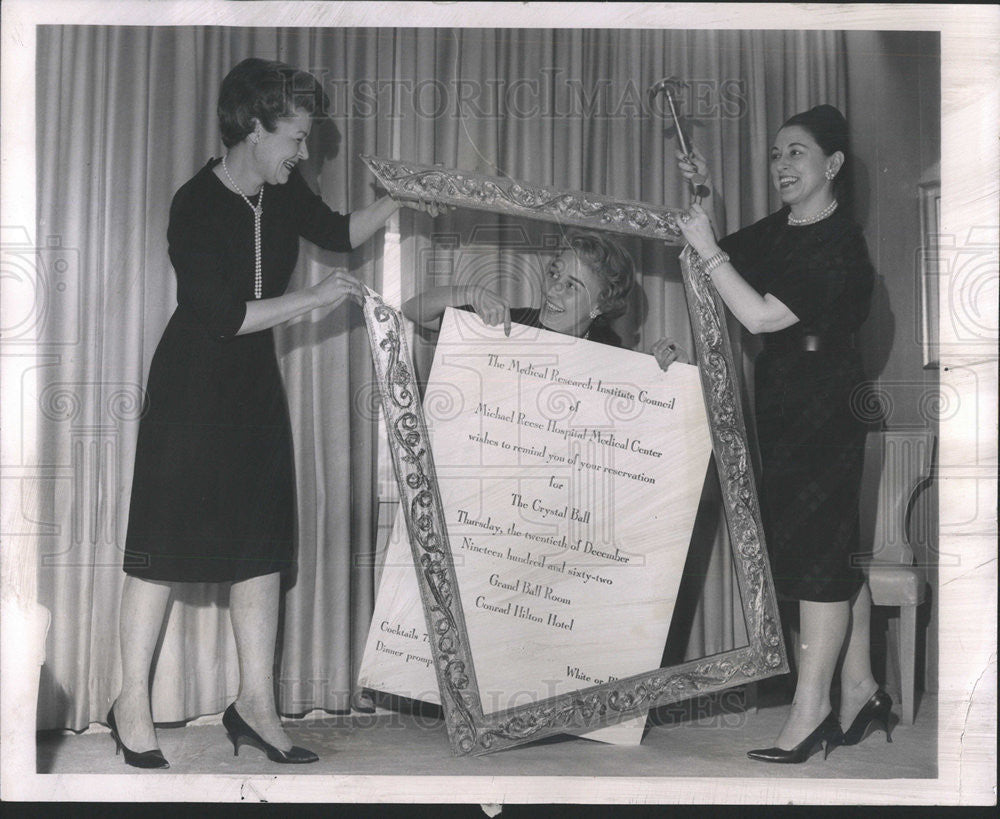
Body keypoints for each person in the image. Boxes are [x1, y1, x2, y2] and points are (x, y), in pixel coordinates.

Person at [112, 58, 441, 768]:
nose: (303, 151)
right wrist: (316, 300)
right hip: (192, 385)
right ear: (252, 129)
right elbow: (221, 315)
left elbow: (341, 230)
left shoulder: (286, 192)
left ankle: (255, 703)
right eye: (294, 137)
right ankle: (129, 701)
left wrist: (404, 200)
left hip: (254, 387)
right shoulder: (193, 203)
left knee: (261, 543)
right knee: (163, 544)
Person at [675, 104, 885, 763]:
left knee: (819, 557)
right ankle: (860, 687)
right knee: (821, 548)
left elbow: (761, 315)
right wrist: (702, 200)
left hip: (830, 403)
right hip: (786, 404)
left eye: (796, 151)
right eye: (774, 154)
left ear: (833, 164)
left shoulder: (841, 242)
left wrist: (710, 252)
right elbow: (722, 261)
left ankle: (810, 707)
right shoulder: (784, 229)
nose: (781, 164)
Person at [402, 227, 686, 372]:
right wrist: (469, 293)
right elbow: (414, 311)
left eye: (571, 287)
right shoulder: (506, 324)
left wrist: (669, 372)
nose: (552, 291)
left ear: (601, 306)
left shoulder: (612, 360)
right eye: (553, 274)